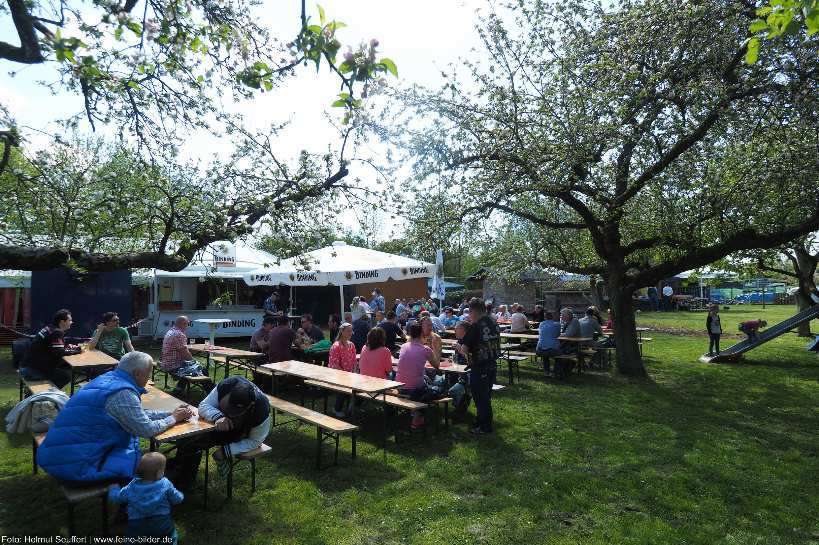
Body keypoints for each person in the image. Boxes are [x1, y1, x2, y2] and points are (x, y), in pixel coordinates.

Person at [37, 352, 193, 482]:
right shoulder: (122, 393)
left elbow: (133, 414)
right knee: (154, 465)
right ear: (137, 373)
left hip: (62, 454)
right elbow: (146, 430)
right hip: (78, 465)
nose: (150, 377)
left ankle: (177, 472)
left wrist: (170, 413)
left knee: (151, 460)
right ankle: (172, 486)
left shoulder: (108, 379)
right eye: (149, 372)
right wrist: (174, 418)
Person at [175, 376, 270, 489]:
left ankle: (185, 482)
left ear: (250, 405)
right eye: (229, 406)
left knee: (194, 443)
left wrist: (226, 451)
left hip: (240, 433)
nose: (230, 413)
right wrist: (218, 417)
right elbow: (203, 406)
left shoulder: (262, 410)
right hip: (216, 423)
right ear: (229, 394)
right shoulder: (227, 385)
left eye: (237, 412)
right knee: (187, 432)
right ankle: (177, 465)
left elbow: (255, 441)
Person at [108, 452, 184, 542]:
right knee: (170, 536)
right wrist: (181, 496)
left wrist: (113, 489)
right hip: (161, 522)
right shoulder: (165, 484)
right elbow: (177, 498)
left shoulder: (131, 486)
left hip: (137, 524)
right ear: (159, 473)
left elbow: (118, 497)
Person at [456, 297, 500, 435]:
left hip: (480, 366)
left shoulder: (475, 326)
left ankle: (484, 426)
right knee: (486, 396)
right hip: (492, 364)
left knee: (480, 398)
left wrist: (459, 347)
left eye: (469, 312)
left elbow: (464, 349)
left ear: (473, 311)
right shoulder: (493, 322)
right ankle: (482, 422)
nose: (469, 316)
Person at [396, 323, 440, 429]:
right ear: (422, 335)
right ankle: (418, 415)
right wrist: (436, 348)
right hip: (415, 389)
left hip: (400, 387)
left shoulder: (404, 346)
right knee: (437, 388)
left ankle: (415, 413)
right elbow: (437, 365)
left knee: (425, 381)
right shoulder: (425, 349)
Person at [20, 309, 76, 388]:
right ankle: (47, 393)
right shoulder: (57, 332)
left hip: (26, 366)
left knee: (63, 370)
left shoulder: (49, 328)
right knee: (66, 377)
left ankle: (46, 392)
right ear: (62, 322)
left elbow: (52, 348)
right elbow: (59, 353)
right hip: (32, 371)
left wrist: (66, 347)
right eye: (70, 320)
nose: (72, 322)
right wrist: (76, 350)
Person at [161, 316, 213, 397]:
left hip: (167, 363)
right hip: (174, 366)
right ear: (182, 324)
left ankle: (179, 389)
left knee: (191, 366)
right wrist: (195, 362)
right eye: (187, 324)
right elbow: (185, 354)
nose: (187, 326)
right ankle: (211, 392)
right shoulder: (179, 334)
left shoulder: (170, 331)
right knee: (201, 369)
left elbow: (180, 350)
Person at [328, 323, 356, 416]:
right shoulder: (336, 346)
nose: (350, 333)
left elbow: (354, 361)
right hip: (337, 375)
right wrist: (346, 376)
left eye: (351, 331)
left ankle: (352, 407)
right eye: (348, 331)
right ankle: (336, 409)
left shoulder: (351, 345)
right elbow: (334, 365)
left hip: (349, 375)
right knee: (345, 387)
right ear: (342, 332)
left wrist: (354, 374)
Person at [536, 312, 562, 376]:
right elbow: (558, 335)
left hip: (539, 350)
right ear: (553, 317)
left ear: (545, 318)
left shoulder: (541, 324)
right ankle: (556, 372)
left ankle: (546, 372)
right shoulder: (557, 324)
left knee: (545, 354)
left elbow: (540, 334)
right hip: (552, 350)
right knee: (561, 353)